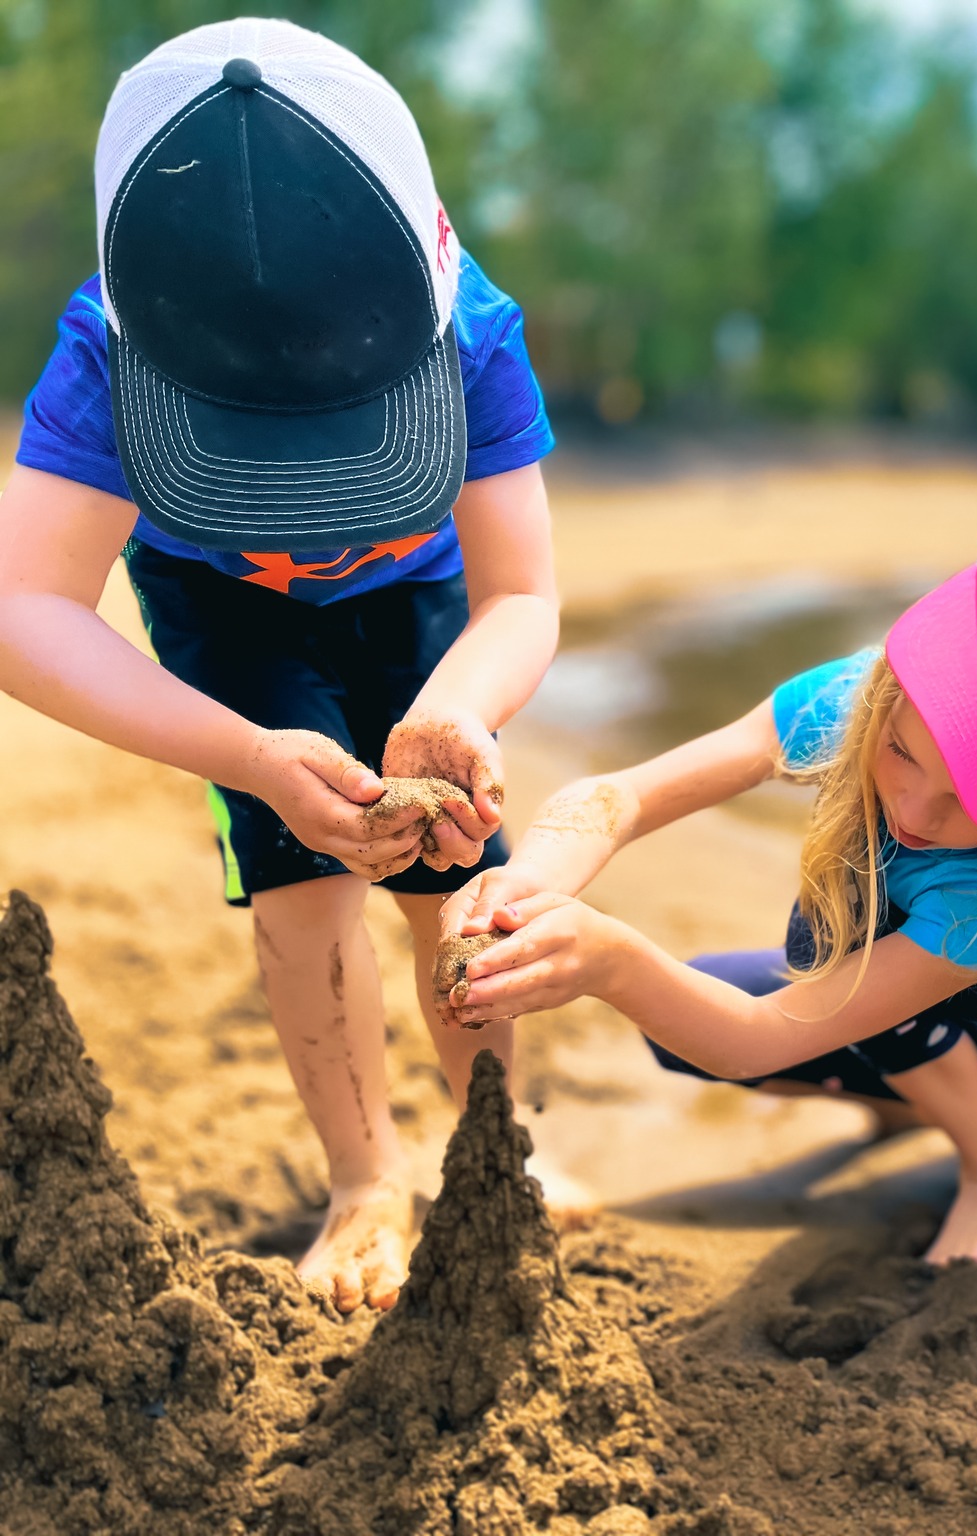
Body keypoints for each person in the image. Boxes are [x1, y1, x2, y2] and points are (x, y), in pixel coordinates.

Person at [0, 20, 559, 1312]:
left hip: (426, 601)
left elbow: (523, 593)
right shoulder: (105, 348)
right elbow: (25, 608)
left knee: (460, 881)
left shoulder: (470, 329)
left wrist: (457, 704)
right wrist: (248, 755)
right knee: (303, 889)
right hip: (228, 614)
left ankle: (496, 1154)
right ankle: (364, 1176)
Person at [441, 514, 977, 1262]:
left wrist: (612, 963)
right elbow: (627, 796)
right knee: (692, 1008)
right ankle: (919, 1100)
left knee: (826, 934)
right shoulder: (871, 696)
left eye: (973, 801)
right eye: (904, 755)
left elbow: (757, 1038)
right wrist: (527, 883)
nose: (915, 810)